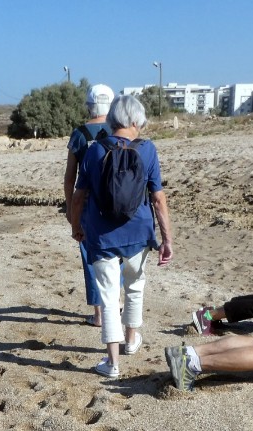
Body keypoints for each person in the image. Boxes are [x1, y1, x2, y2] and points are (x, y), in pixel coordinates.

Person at [70, 95, 174, 378]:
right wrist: (167, 240)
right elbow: (158, 199)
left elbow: (79, 196)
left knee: (107, 296)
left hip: (102, 235)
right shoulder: (148, 150)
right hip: (139, 233)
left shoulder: (93, 151)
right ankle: (131, 340)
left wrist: (75, 226)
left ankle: (112, 364)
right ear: (133, 121)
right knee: (135, 287)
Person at [65, 84, 114, 327]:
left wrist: (68, 206)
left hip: (87, 206)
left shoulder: (80, 134)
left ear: (89, 105)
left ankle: (99, 314)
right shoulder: (120, 130)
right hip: (117, 204)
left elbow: (70, 176)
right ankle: (115, 305)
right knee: (117, 255)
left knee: (91, 258)